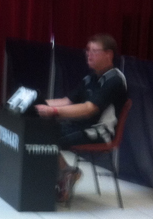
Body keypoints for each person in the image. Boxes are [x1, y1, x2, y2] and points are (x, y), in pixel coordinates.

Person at [35, 33, 129, 202]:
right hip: (82, 126)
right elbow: (66, 101)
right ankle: (68, 172)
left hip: (100, 132)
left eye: (94, 51)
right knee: (39, 130)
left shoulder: (115, 80)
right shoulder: (90, 78)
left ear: (108, 54)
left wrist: (54, 111)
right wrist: (35, 103)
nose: (89, 54)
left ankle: (66, 174)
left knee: (46, 137)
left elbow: (88, 109)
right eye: (87, 50)